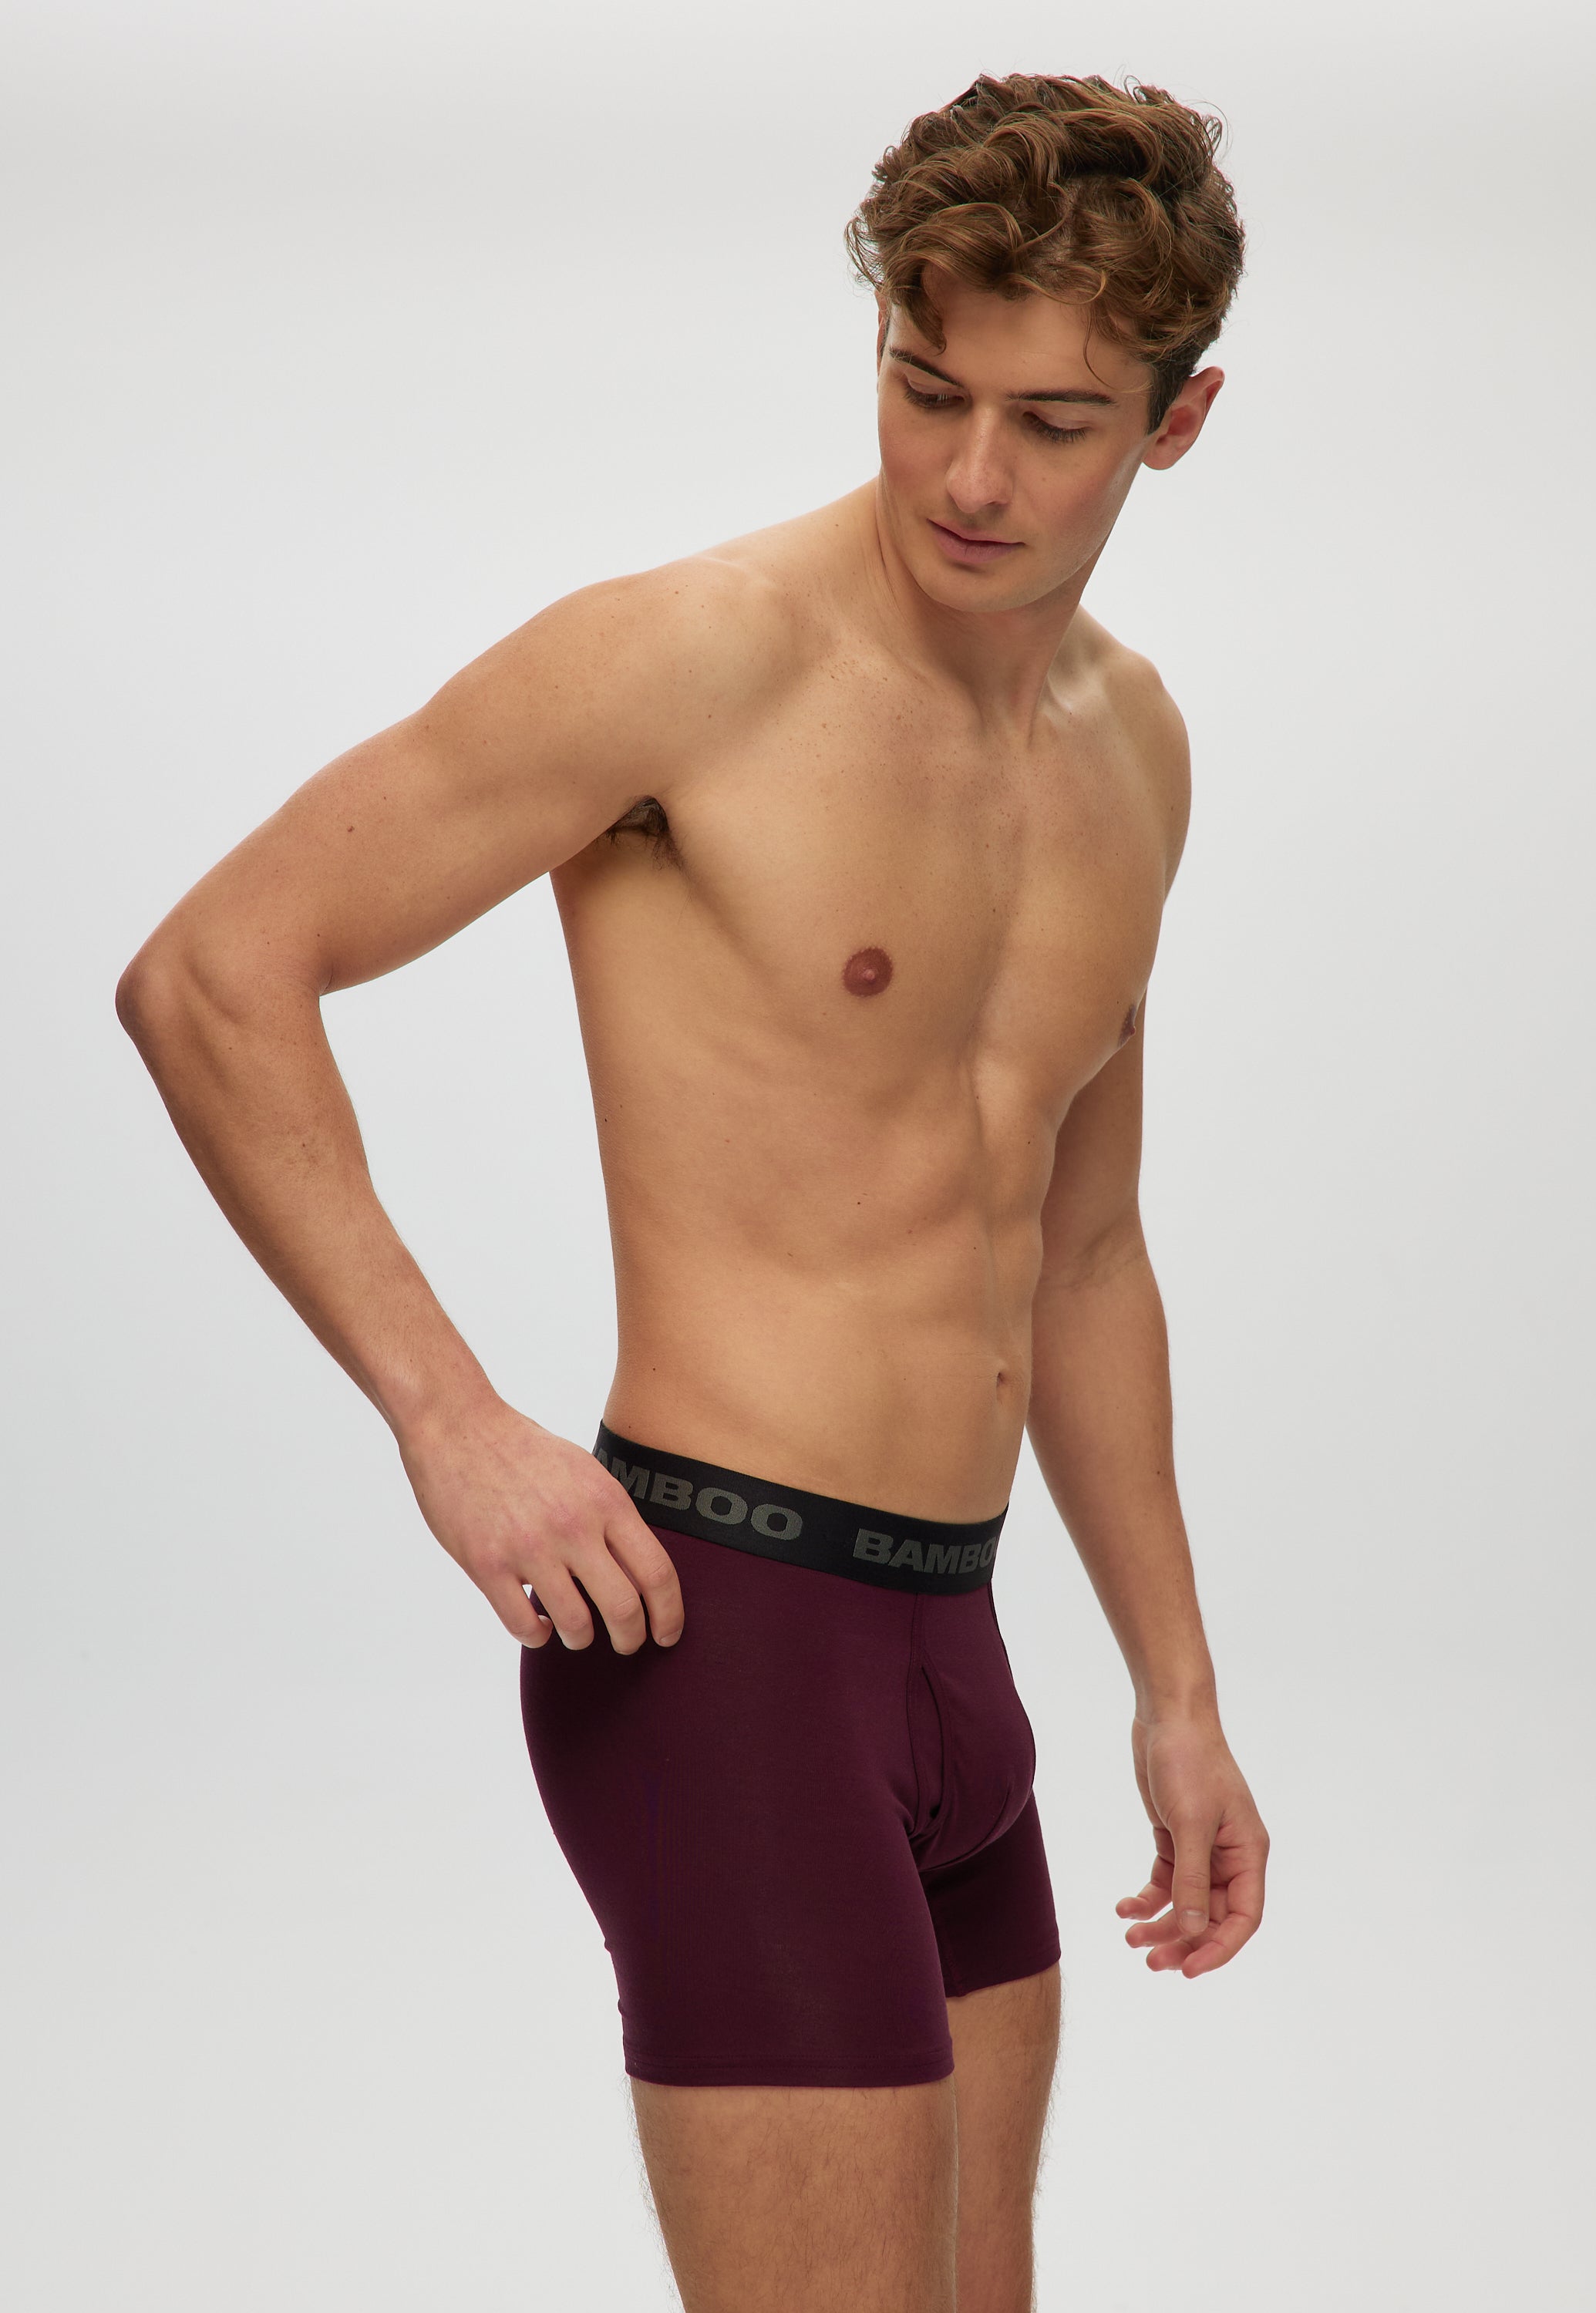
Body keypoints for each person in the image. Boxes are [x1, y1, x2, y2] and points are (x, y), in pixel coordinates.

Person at [116, 69, 1270, 2313]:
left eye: (1053, 423)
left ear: (1177, 421)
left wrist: (1178, 1689)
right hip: (720, 1642)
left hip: (959, 1655)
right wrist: (451, 1421)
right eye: (925, 388)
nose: (969, 475)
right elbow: (212, 976)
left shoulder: (1136, 748)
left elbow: (1085, 1247)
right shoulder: (692, 662)